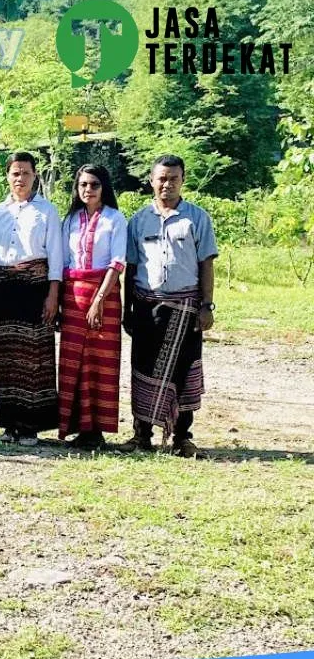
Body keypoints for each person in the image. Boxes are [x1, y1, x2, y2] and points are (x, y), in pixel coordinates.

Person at [120, 155, 218, 457]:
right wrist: (128, 311)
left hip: (186, 309)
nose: (167, 184)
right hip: (147, 307)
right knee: (144, 370)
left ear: (182, 180)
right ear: (151, 181)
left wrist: (207, 305)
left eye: (173, 178)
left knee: (184, 372)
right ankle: (142, 435)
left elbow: (206, 265)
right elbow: (131, 269)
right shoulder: (137, 220)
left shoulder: (197, 218)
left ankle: (182, 437)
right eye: (162, 178)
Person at [0, 152, 63, 446]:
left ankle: (31, 425)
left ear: (35, 175)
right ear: (8, 176)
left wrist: (53, 295)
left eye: (25, 173)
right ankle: (10, 422)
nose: (20, 179)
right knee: (6, 356)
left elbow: (56, 254)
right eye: (15, 173)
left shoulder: (47, 211)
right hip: (3, 288)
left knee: (34, 356)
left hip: (35, 287)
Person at [58, 164, 127, 449]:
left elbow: (117, 262)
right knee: (74, 363)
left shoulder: (115, 219)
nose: (88, 190)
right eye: (83, 184)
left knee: (100, 362)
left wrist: (99, 299)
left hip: (105, 296)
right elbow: (63, 262)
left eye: (94, 185)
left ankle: (96, 430)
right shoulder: (70, 220)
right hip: (73, 297)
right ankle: (77, 427)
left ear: (104, 188)